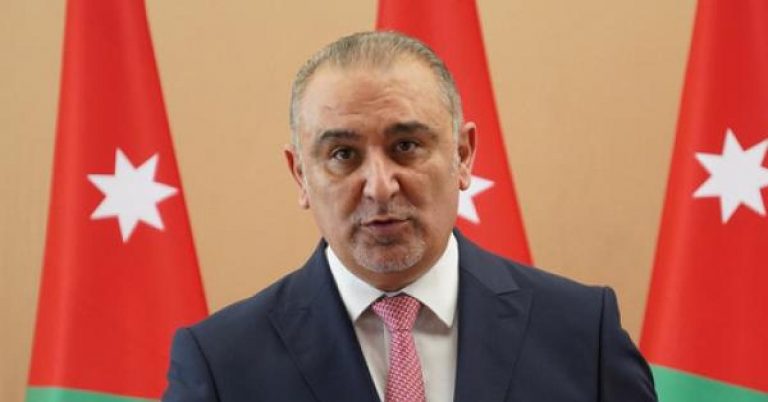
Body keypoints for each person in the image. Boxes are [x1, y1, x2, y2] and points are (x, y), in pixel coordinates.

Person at [163, 31, 657, 402]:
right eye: (343, 155)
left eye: (406, 146)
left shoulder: (581, 333)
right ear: (301, 176)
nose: (380, 186)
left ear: (463, 155)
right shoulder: (221, 365)